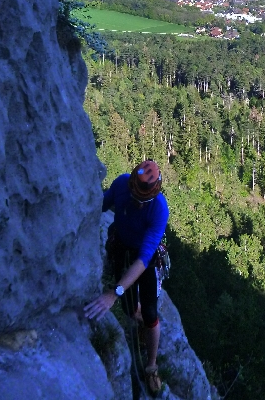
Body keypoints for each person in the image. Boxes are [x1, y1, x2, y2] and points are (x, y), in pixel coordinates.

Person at [84, 160, 169, 396]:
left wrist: (114, 292)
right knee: (132, 311)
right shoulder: (122, 184)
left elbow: (143, 260)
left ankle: (151, 366)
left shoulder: (159, 209)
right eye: (137, 198)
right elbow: (100, 204)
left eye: (145, 201)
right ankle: (140, 321)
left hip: (145, 258)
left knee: (150, 313)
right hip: (122, 247)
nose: (140, 205)